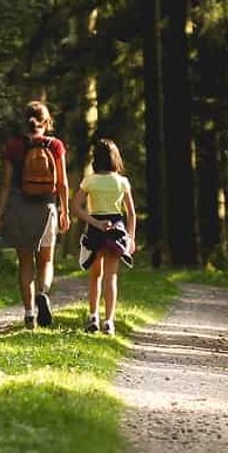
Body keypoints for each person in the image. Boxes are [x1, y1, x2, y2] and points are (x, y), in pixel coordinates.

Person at [0, 100, 70, 328]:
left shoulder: (14, 147)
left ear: (25, 121)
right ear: (47, 121)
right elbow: (63, 182)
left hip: (18, 206)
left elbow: (6, 185)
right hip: (46, 206)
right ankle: (43, 293)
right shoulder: (55, 145)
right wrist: (64, 211)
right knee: (46, 261)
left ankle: (28, 314)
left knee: (25, 263)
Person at [72, 138, 135, 335]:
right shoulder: (122, 182)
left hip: (95, 229)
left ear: (95, 159)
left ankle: (93, 317)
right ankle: (109, 321)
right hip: (116, 230)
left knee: (95, 275)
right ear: (115, 158)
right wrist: (131, 238)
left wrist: (95, 223)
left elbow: (76, 207)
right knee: (111, 277)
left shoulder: (90, 181)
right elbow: (131, 213)